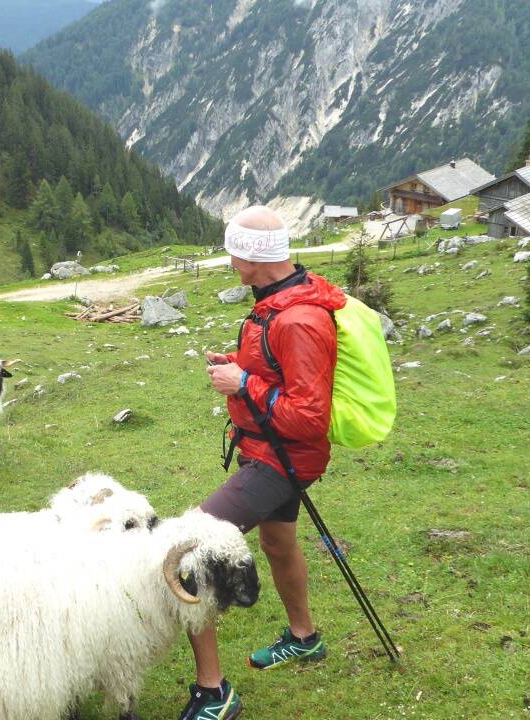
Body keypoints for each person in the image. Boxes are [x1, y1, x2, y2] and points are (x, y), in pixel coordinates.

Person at [179, 205, 347, 720]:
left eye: (234, 251)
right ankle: (304, 637)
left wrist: (243, 384)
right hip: (269, 452)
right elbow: (280, 376)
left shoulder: (298, 319)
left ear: (253, 258)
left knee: (188, 552)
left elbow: (310, 416)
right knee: (277, 542)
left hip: (280, 461)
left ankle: (215, 693)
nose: (230, 260)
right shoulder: (275, 302)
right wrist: (240, 366)